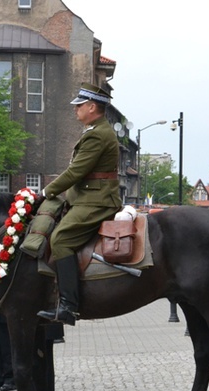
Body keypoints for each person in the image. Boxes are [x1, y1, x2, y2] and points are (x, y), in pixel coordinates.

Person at [37, 82, 121, 326]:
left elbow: (75, 172)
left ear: (92, 107)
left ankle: (68, 306)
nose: (76, 110)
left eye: (80, 106)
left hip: (97, 202)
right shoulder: (95, 130)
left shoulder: (97, 134)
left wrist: (45, 192)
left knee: (61, 239)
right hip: (87, 198)